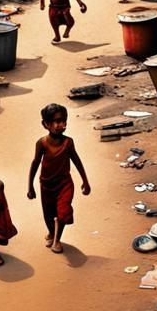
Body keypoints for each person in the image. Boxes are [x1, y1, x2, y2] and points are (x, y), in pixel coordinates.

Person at [27, 103, 91, 253]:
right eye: (55, 121)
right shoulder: (42, 143)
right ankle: (51, 232)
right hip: (46, 185)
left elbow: (76, 160)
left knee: (63, 211)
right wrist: (30, 186)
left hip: (64, 183)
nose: (60, 125)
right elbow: (35, 163)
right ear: (46, 124)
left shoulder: (68, 142)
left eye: (63, 121)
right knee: (48, 214)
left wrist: (85, 181)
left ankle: (57, 240)